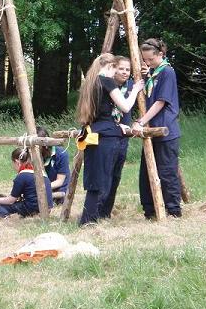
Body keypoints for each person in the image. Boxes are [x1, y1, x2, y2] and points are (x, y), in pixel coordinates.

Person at [76, 53, 143, 225]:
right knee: (102, 179)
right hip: (106, 136)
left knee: (95, 178)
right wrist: (135, 90)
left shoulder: (90, 83)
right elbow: (125, 106)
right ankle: (89, 220)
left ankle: (92, 217)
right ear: (111, 66)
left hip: (93, 132)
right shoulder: (106, 81)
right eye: (117, 68)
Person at [131, 38, 182, 219]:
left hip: (165, 129)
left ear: (161, 54)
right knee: (146, 173)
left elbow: (161, 102)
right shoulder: (153, 73)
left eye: (151, 60)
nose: (147, 63)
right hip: (151, 130)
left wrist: (141, 121)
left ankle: (173, 210)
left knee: (167, 172)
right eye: (145, 60)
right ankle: (149, 209)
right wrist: (147, 72)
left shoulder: (167, 72)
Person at [98, 56, 134, 219]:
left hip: (122, 138)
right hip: (107, 135)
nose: (125, 72)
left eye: (128, 69)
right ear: (113, 68)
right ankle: (96, 210)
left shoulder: (132, 86)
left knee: (116, 174)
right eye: (121, 69)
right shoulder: (106, 86)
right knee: (104, 173)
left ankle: (106, 212)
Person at [0, 148, 53, 218]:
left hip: (33, 209)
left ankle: (10, 218)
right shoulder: (42, 173)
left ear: (17, 162)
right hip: (47, 208)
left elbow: (10, 200)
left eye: (13, 163)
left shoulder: (22, 175)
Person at [37, 126, 70, 204]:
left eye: (37, 146)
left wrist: (42, 188)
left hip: (59, 190)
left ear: (45, 145)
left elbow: (60, 181)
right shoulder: (32, 154)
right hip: (42, 188)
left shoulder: (61, 154)